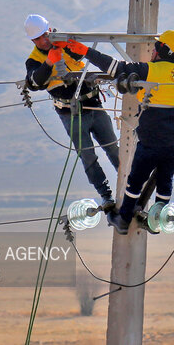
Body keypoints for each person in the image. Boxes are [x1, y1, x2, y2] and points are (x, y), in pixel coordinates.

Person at [65, 30, 174, 234]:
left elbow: (115, 68)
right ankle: (158, 221)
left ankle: (123, 220)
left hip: (152, 142)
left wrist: (86, 51)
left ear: (161, 50)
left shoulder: (150, 70)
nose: (152, 50)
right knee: (165, 181)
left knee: (135, 182)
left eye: (156, 47)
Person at [23, 14, 119, 209]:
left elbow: (83, 54)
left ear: (49, 31)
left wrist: (67, 47)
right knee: (88, 156)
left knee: (112, 147)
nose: (43, 41)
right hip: (70, 114)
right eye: (37, 39)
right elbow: (34, 83)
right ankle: (106, 194)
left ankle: (130, 185)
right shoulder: (33, 61)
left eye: (44, 35)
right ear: (32, 41)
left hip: (93, 105)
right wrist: (49, 63)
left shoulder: (66, 44)